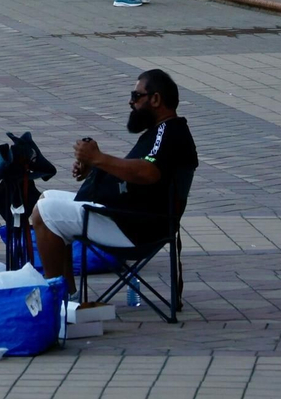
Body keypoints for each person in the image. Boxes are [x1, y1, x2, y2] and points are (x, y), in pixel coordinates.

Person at [31, 69, 198, 297]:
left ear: (156, 99)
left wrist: (98, 158)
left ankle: (57, 299)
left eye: (136, 96)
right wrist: (95, 166)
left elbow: (148, 172)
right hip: (128, 217)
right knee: (47, 198)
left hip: (138, 228)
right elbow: (134, 172)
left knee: (44, 211)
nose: (131, 102)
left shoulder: (169, 132)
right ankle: (68, 297)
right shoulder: (161, 132)